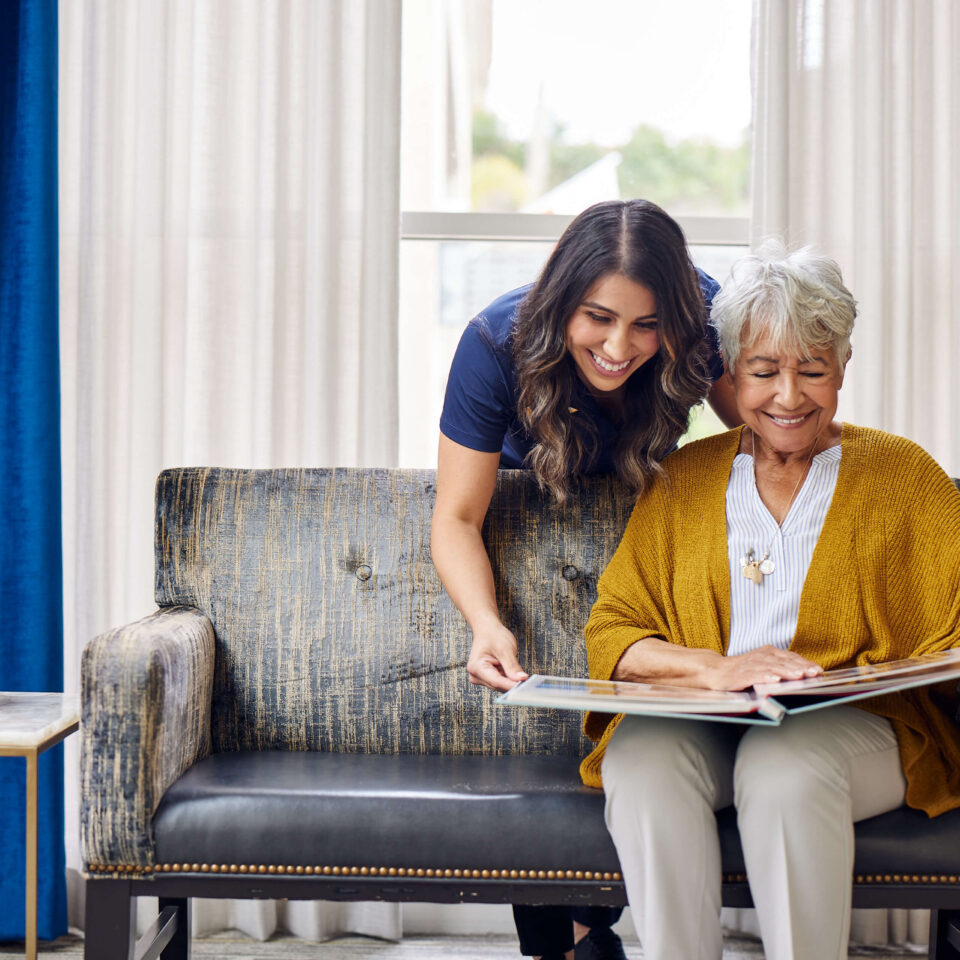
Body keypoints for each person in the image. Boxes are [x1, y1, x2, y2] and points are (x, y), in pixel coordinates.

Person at [581, 244, 960, 960]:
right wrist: (710, 669)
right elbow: (615, 633)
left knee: (784, 766)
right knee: (639, 759)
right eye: (764, 372)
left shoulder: (903, 475)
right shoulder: (681, 481)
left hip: (854, 729)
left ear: (842, 368)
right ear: (729, 375)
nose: (789, 396)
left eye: (813, 370)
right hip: (708, 718)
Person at [431, 198, 740, 960]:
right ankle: (571, 940)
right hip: (530, 526)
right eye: (598, 317)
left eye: (645, 326)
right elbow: (457, 518)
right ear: (562, 299)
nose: (617, 346)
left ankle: (583, 936)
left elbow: (768, 433)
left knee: (638, 740)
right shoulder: (494, 342)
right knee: (540, 717)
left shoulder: (705, 323)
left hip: (644, 525)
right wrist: (487, 624)